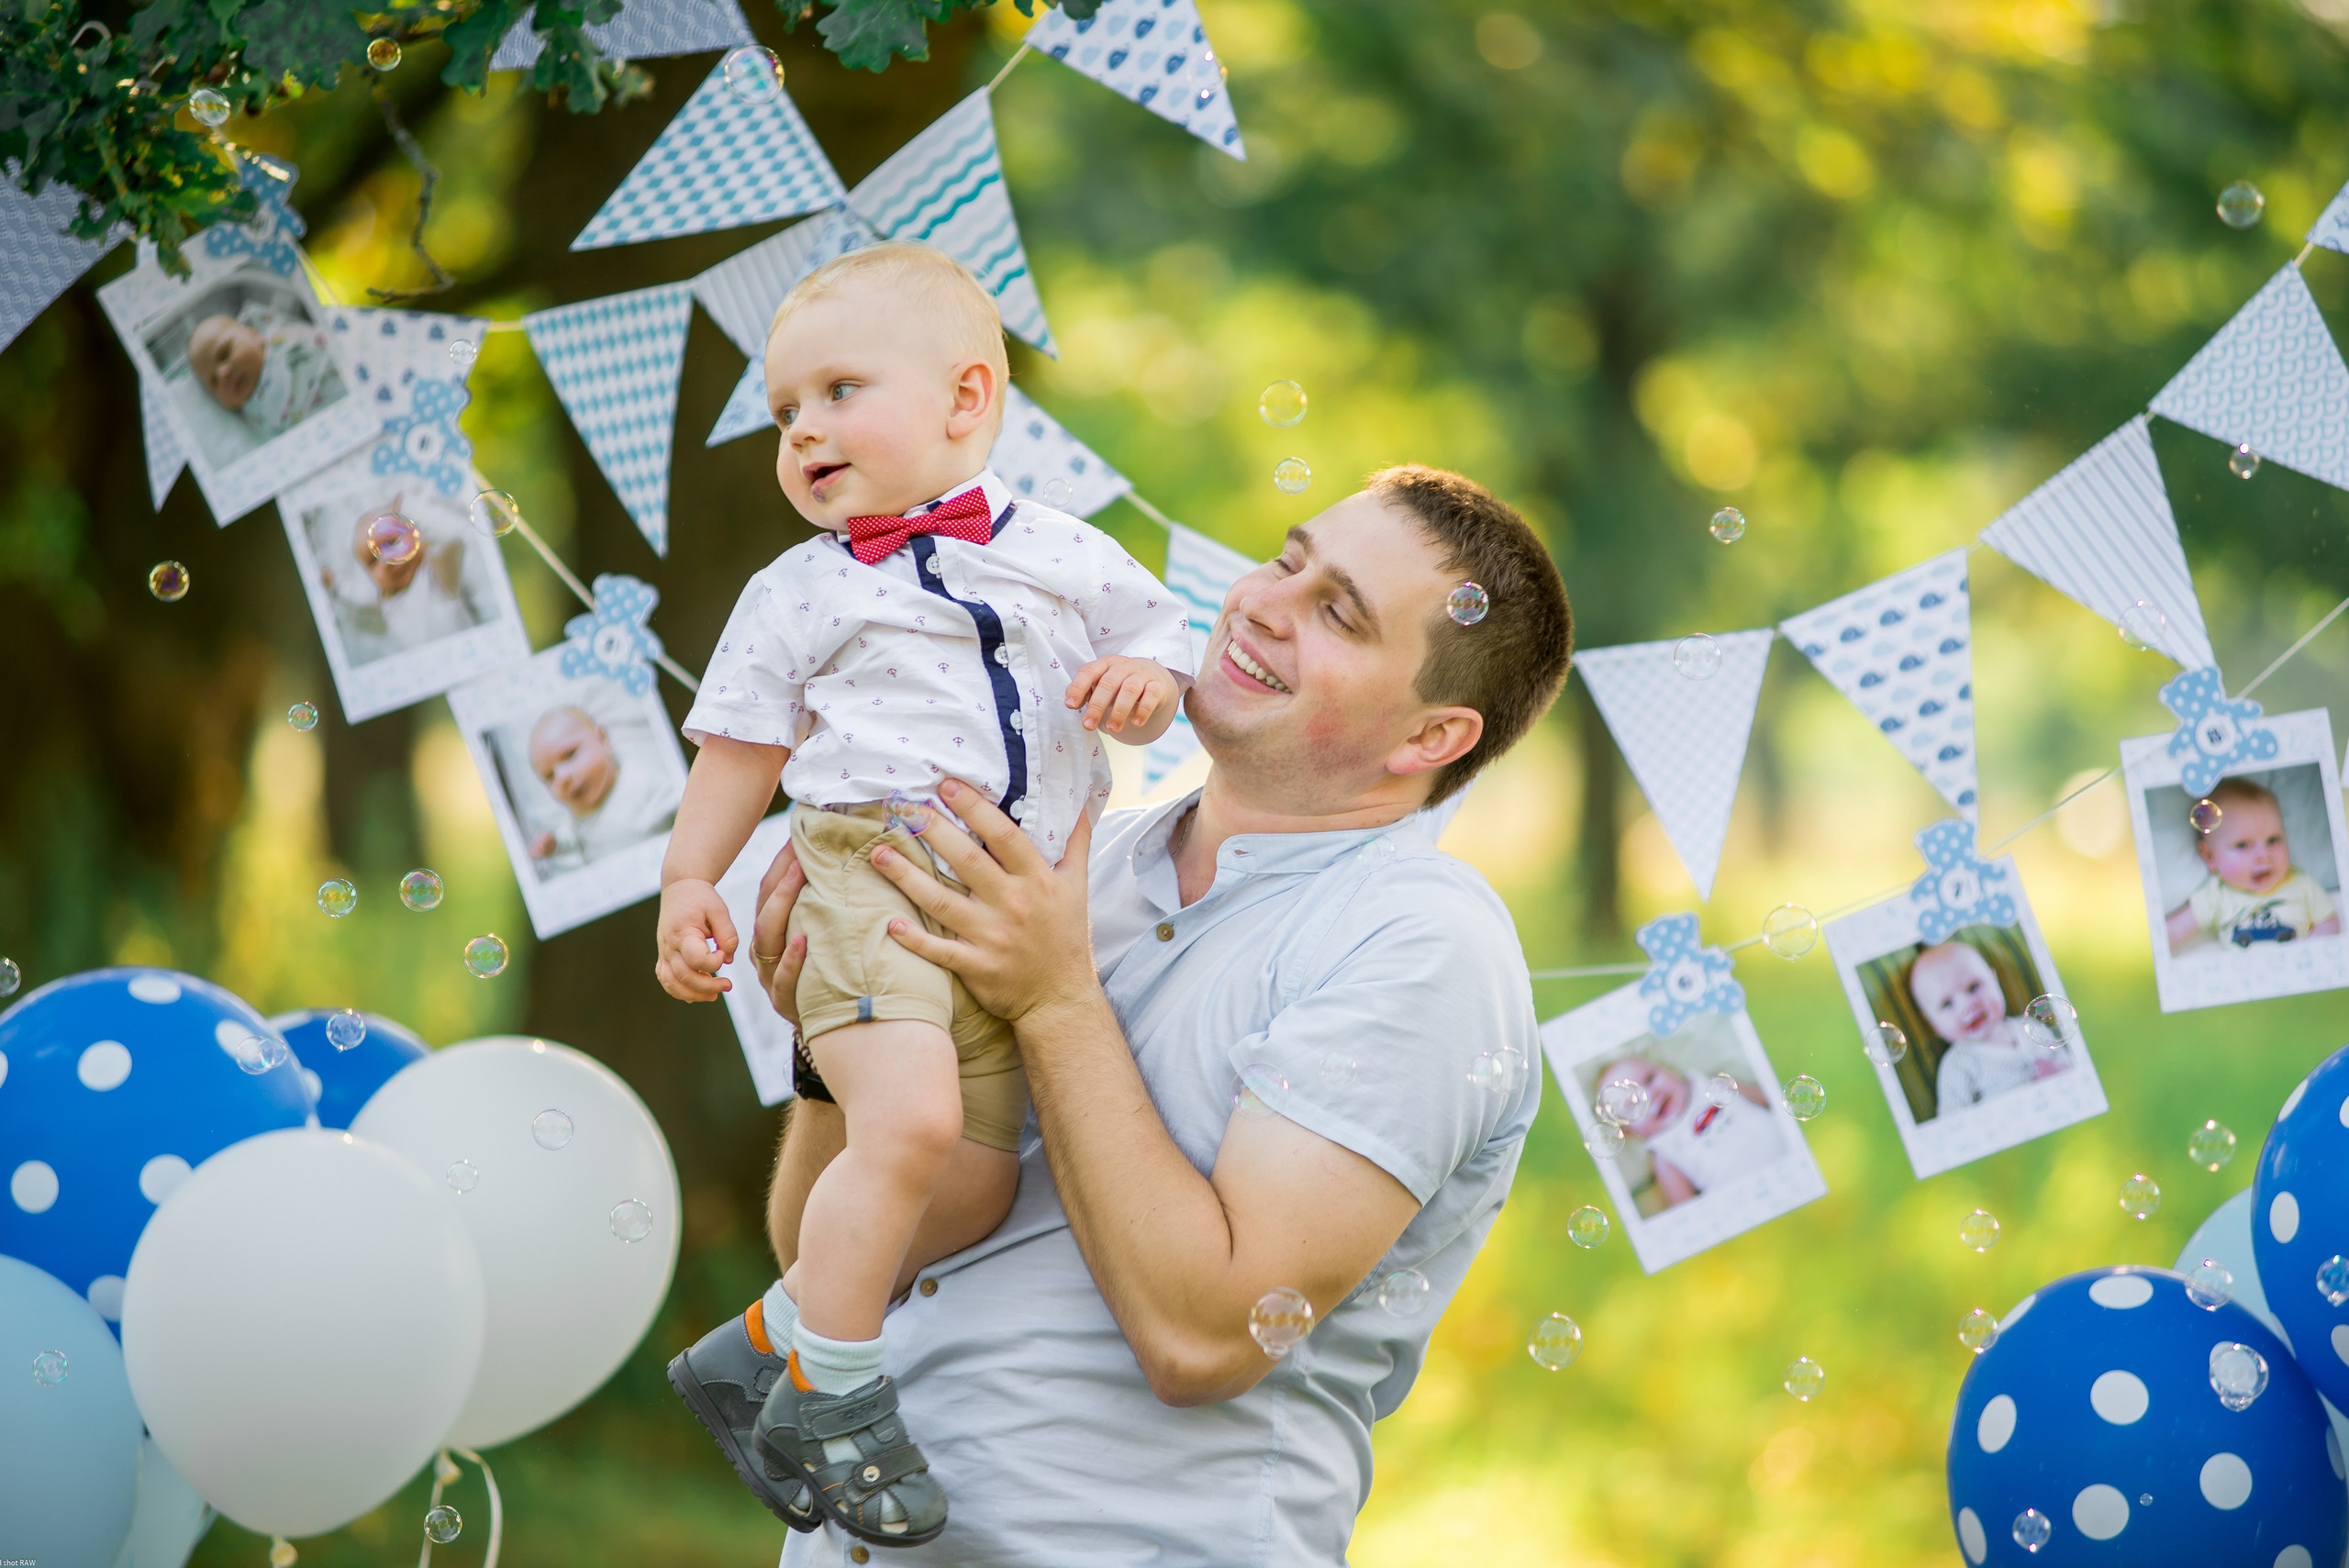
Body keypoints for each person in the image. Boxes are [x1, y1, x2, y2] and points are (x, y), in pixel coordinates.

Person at [669, 463, 1570, 1565]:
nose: (1263, 603)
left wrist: (1053, 998)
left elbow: (1204, 1338)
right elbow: (826, 1245)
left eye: (1337, 612)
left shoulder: (1419, 941)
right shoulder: (1049, 849)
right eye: (1287, 558)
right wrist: (837, 1046)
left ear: (1430, 739)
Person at [652, 243, 1195, 1547]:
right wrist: (687, 878)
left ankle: (759, 1345)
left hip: (1006, 911)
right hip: (868, 873)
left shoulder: (1059, 550)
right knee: (902, 1130)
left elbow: (1160, 631)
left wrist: (1149, 686)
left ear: (967, 401)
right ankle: (831, 1398)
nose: (804, 431)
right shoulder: (795, 591)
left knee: (971, 1189)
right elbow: (740, 753)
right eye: (786, 412)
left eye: (840, 390)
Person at [2165, 777, 2340, 952]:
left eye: (2273, 840)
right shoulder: (2216, 895)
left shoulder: (2301, 883)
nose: (2263, 856)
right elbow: (2173, 932)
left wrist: (2311, 952)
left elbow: (2328, 921)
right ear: (2209, 857)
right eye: (2243, 845)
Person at [1595, 1052, 1779, 1207]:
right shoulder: (1664, 1155)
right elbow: (1688, 1210)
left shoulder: (1715, 1083)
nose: (1651, 1095)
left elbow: (1768, 1099)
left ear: (1668, 1068)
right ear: (1629, 1131)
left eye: (1650, 1079)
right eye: (1632, 1104)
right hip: (1745, 1199)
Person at [523, 698, 680, 870]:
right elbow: (570, 840)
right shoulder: (578, 815)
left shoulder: (641, 782)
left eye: (570, 755)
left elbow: (683, 806)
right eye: (550, 776)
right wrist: (554, 845)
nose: (562, 778)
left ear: (603, 739)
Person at [1914, 939, 2069, 1112]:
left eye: (1973, 987)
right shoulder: (1958, 1066)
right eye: (1947, 1004)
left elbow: (2069, 1065)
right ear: (1931, 1023)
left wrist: (2060, 1073)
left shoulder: (2033, 1028)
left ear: (1994, 980)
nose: (1967, 1005)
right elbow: (1954, 1125)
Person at [318, 501, 477, 651]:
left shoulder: (434, 572)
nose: (386, 561)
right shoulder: (382, 595)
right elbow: (356, 595)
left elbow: (452, 540)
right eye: (373, 561)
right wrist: (336, 585)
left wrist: (406, 509)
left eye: (392, 543)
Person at [184, 302, 341, 439]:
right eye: (214, 382)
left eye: (225, 353)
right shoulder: (253, 422)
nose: (223, 374)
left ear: (253, 335)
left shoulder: (279, 341)